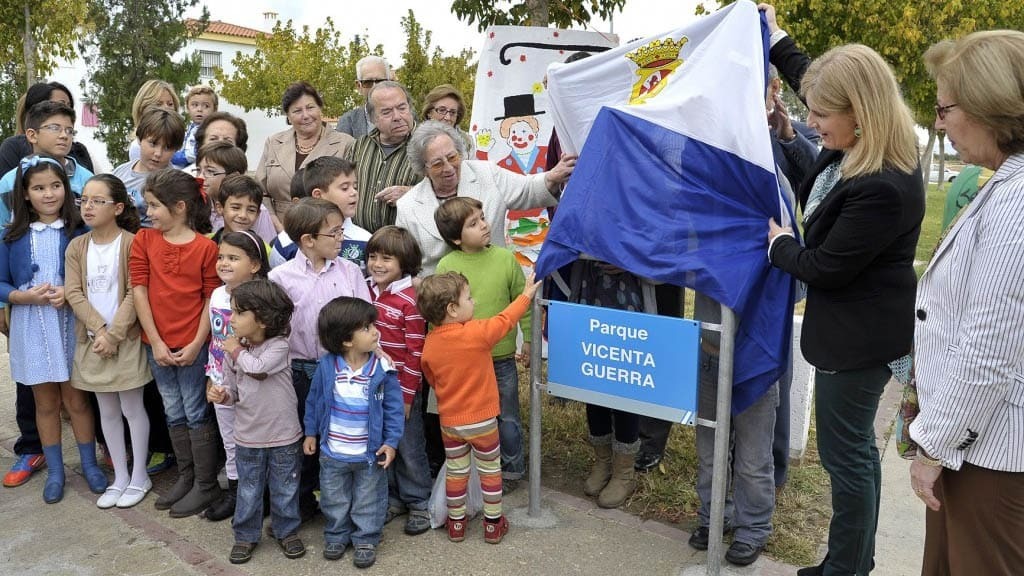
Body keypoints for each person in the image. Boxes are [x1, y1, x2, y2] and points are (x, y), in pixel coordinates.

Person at [761, 5, 925, 575]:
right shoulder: (858, 145)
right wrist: (773, 32)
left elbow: (825, 266)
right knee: (853, 456)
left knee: (846, 456)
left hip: (857, 343)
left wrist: (779, 243)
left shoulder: (882, 184)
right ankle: (853, 560)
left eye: (822, 114)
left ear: (862, 114)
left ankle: (847, 569)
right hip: (857, 331)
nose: (812, 120)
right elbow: (809, 73)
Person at [909, 29, 1024, 574]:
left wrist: (933, 447)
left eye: (944, 108)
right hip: (977, 445)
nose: (938, 123)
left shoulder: (1017, 201)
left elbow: (988, 349)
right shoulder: (1005, 185)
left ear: (989, 107)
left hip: (989, 455)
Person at [0, 156, 102, 503]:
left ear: (66, 188)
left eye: (55, 186)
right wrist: (21, 296)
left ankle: (89, 464)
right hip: (32, 324)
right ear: (25, 194)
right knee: (45, 402)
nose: (48, 194)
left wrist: (70, 294)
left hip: (68, 322)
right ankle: (57, 471)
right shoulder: (12, 235)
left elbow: (94, 276)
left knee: (76, 399)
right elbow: (0, 282)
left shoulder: (80, 232)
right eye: (39, 188)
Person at [418, 270, 541, 544]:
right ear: (452, 309)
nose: (474, 302)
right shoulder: (476, 333)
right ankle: (493, 524)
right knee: (489, 471)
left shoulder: (430, 344)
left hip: (450, 422)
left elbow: (432, 379)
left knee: (456, 471)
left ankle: (457, 524)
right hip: (483, 421)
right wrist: (526, 295)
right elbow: (505, 320)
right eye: (469, 298)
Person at [268, 197, 371, 521]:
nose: (341, 238)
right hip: (297, 372)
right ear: (308, 240)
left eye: (342, 231)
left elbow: (366, 319)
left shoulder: (351, 272)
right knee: (302, 440)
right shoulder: (281, 278)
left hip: (341, 371)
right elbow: (274, 330)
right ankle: (300, 504)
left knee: (339, 438)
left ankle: (340, 508)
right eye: (334, 233)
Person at [130, 168, 222, 518]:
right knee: (173, 409)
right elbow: (139, 289)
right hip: (158, 346)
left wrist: (198, 343)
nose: (148, 212)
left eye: (154, 206)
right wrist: (154, 341)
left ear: (180, 207)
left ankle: (205, 483)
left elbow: (209, 298)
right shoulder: (144, 240)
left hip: (192, 347)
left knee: (197, 411)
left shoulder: (205, 248)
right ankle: (186, 477)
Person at [65, 175, 152, 509]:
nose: (88, 206)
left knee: (132, 407)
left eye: (97, 201)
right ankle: (120, 477)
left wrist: (114, 333)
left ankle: (140, 474)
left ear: (117, 207)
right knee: (108, 411)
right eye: (84, 200)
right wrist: (99, 330)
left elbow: (135, 290)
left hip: (124, 340)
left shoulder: (132, 242)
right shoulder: (77, 246)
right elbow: (73, 290)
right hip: (93, 341)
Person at [435, 197, 530, 491]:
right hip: (467, 363)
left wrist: (527, 340)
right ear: (455, 238)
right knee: (474, 417)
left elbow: (521, 300)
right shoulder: (447, 265)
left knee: (508, 416)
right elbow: (439, 313)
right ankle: (479, 468)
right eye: (473, 224)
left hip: (501, 358)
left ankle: (513, 468)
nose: (484, 225)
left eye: (483, 218)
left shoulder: (505, 259)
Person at [396, 120, 576, 275]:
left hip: (493, 288)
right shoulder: (407, 206)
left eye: (452, 157)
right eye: (437, 164)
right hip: (439, 303)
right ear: (423, 167)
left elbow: (527, 189)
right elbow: (407, 265)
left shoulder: (487, 173)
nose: (448, 168)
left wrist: (552, 176)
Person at [207, 279, 304, 564]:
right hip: (248, 435)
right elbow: (234, 392)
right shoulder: (234, 352)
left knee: (285, 486)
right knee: (248, 489)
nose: (231, 319)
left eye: (238, 313)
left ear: (261, 319)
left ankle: (286, 531)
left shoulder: (279, 347)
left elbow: (258, 368)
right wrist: (221, 395)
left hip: (283, 435)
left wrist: (235, 349)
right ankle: (245, 536)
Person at [304, 297, 403, 568]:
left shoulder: (382, 369)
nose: (376, 331)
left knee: (368, 499)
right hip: (333, 452)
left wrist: (391, 442)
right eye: (367, 328)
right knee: (334, 498)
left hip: (368, 454)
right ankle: (336, 534)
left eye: (373, 325)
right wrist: (311, 432)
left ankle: (366, 538)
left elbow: (394, 410)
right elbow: (314, 401)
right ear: (346, 340)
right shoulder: (327, 366)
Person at [365, 225, 432, 534]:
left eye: (386, 259)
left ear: (404, 263)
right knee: (382, 441)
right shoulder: (367, 290)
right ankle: (393, 499)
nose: (377, 264)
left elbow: (416, 354)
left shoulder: (410, 300)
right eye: (373, 256)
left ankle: (419, 500)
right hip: (372, 385)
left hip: (401, 388)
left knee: (408, 445)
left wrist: (406, 397)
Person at [202, 230, 271, 523]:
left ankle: (265, 496)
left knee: (260, 439)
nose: (224, 263)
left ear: (254, 265)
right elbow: (216, 340)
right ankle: (236, 491)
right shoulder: (218, 295)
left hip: (255, 381)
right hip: (223, 382)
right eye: (221, 257)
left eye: (233, 258)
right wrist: (212, 375)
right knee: (230, 438)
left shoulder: (265, 296)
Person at [256, 81, 354, 224]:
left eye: (310, 107)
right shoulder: (274, 142)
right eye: (297, 111)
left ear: (320, 109)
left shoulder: (346, 143)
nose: (306, 115)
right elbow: (261, 191)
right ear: (288, 117)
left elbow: (351, 193)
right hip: (278, 227)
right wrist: (276, 225)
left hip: (326, 229)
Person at [0, 101, 95, 224]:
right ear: (32, 135)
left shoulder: (87, 180)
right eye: (55, 128)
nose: (64, 135)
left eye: (69, 131)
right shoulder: (10, 182)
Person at [347, 81, 421, 233]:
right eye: (387, 112)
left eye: (402, 108)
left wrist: (411, 193)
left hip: (405, 247)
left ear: (410, 108)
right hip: (361, 244)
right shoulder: (360, 146)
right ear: (373, 118)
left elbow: (449, 193)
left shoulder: (429, 144)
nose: (397, 117)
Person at [112, 107, 186, 228]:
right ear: (140, 139)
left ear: (176, 150)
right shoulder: (120, 172)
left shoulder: (176, 183)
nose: (158, 153)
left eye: (167, 148)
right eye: (153, 143)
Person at [0, 81, 94, 175]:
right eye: (60, 104)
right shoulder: (13, 148)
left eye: (69, 105)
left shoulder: (79, 153)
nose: (65, 109)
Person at [196, 142, 276, 243]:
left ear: (233, 175)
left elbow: (266, 248)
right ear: (219, 207)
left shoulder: (256, 208)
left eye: (210, 171)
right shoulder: (197, 203)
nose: (200, 177)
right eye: (199, 170)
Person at [304, 156, 372, 272]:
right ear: (318, 195)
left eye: (355, 187)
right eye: (345, 188)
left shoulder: (366, 240)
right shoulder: (289, 240)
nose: (354, 192)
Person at [336, 55, 392, 139]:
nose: (374, 87)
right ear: (359, 86)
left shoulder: (406, 116)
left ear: (389, 83)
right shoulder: (348, 121)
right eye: (368, 82)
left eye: (380, 81)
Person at [127, 80, 181, 162]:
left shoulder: (183, 136)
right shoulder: (138, 148)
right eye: (158, 104)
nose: (166, 108)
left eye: (170, 104)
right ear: (142, 109)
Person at [173, 86, 218, 168]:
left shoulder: (210, 131)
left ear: (214, 109)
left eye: (206, 106)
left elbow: (194, 154)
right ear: (187, 108)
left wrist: (173, 156)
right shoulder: (190, 127)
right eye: (195, 105)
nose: (199, 109)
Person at [421, 84, 474, 152]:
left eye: (452, 112)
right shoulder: (416, 141)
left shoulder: (467, 141)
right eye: (442, 110)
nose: (448, 117)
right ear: (429, 112)